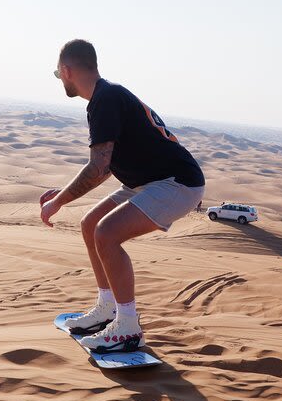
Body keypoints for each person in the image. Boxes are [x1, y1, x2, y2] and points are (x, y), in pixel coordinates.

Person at [39, 39, 205, 352]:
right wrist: (63, 193)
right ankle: (108, 309)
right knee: (91, 224)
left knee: (107, 233)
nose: (60, 79)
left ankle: (128, 327)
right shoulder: (106, 97)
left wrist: (59, 201)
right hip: (147, 181)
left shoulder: (106, 99)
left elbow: (99, 166)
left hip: (176, 183)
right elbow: (109, 163)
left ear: (66, 70)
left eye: (57, 74)